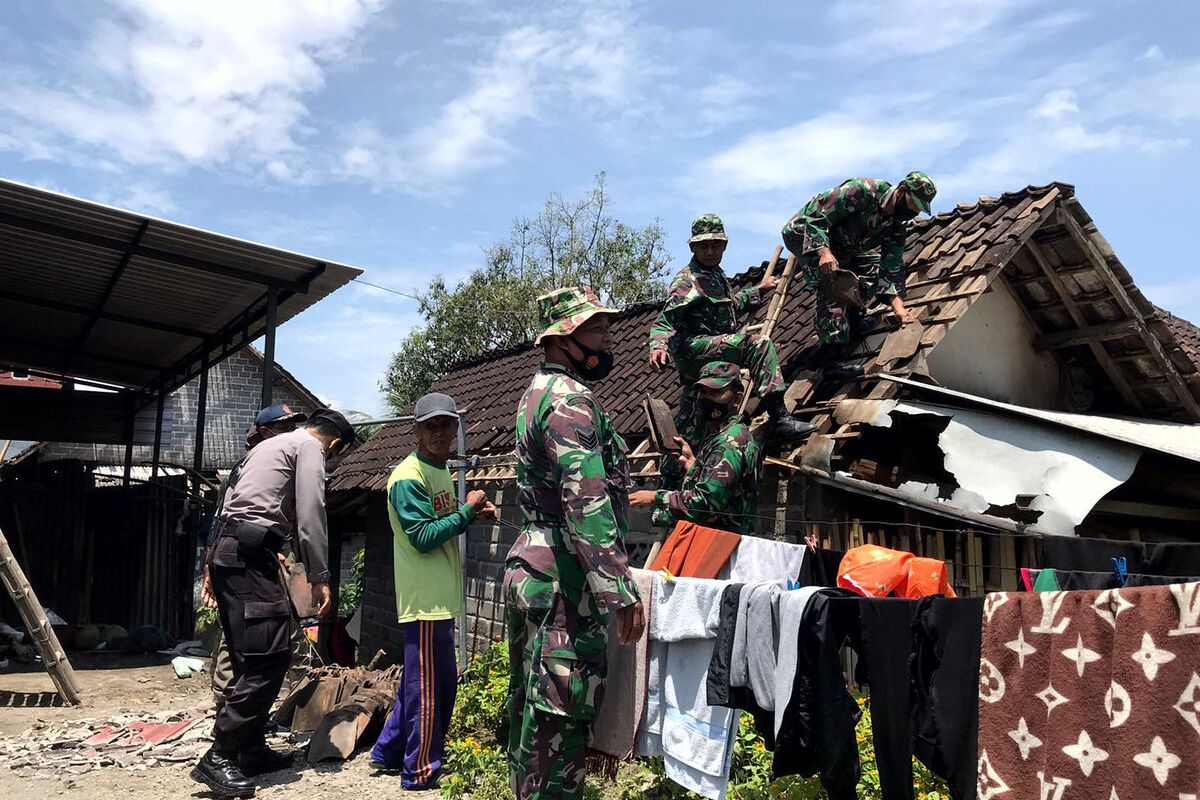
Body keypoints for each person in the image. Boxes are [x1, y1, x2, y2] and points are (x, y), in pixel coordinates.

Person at [505, 287, 645, 800]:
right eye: (596, 328)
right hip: (562, 577)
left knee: (534, 714)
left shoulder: (537, 392)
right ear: (562, 340)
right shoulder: (569, 400)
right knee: (558, 719)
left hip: (537, 564)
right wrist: (619, 589)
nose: (608, 337)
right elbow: (584, 499)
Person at [191, 408, 355, 799]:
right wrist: (320, 575)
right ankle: (220, 753)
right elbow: (311, 512)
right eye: (334, 455)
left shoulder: (270, 446)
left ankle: (249, 749)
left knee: (248, 656)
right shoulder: (310, 447)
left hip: (230, 551)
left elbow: (229, 504)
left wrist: (212, 563)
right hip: (249, 555)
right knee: (271, 657)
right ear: (334, 444)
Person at [370, 392, 497, 789]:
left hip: (438, 597)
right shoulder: (409, 477)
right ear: (417, 431)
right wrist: (467, 510)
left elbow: (441, 520)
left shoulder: (438, 468)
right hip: (424, 599)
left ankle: (389, 751)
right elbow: (423, 537)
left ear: (456, 428)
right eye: (431, 426)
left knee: (424, 680)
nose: (440, 432)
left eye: (446, 425)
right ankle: (420, 770)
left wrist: (471, 514)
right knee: (429, 689)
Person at [648, 214, 815, 461]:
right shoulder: (687, 280)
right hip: (694, 350)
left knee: (692, 422)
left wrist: (759, 290)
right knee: (758, 345)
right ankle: (779, 417)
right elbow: (666, 319)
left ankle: (675, 471)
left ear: (724, 246)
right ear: (693, 248)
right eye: (704, 246)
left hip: (713, 352)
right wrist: (658, 345)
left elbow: (730, 307)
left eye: (716, 245)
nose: (710, 251)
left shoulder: (716, 277)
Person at [201, 404, 308, 712]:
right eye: (282, 427)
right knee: (250, 626)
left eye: (292, 427)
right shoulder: (245, 469)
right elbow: (223, 519)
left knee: (284, 625)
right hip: (251, 554)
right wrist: (209, 566)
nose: (290, 433)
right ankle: (229, 700)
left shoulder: (291, 460)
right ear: (263, 433)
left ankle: (298, 696)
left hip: (276, 554)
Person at [781, 172, 937, 369]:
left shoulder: (896, 225)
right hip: (804, 234)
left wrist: (900, 311)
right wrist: (823, 252)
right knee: (835, 278)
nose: (913, 211)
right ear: (902, 190)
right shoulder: (862, 191)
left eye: (918, 209)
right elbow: (817, 217)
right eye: (913, 204)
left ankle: (852, 318)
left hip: (842, 247)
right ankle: (830, 355)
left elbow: (891, 267)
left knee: (873, 267)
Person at [629, 361, 761, 534]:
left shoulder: (728, 443)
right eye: (703, 392)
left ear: (737, 398)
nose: (706, 399)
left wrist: (655, 497)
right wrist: (693, 466)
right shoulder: (720, 436)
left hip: (724, 542)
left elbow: (705, 503)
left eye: (716, 393)